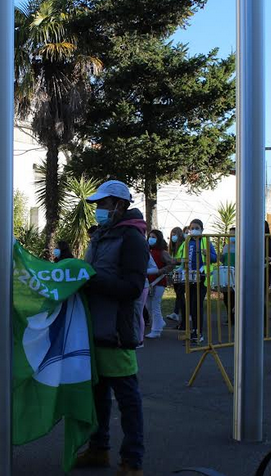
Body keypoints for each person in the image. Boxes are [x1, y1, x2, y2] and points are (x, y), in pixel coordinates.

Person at [77, 180, 147, 476]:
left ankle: (132, 461)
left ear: (119, 205)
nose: (98, 209)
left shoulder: (132, 238)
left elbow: (132, 287)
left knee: (127, 399)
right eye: (96, 205)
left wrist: (91, 280)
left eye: (103, 204)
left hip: (117, 331)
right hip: (95, 329)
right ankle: (99, 449)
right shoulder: (101, 235)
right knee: (98, 396)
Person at [180, 219, 217, 343]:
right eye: (192, 228)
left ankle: (199, 332)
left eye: (197, 228)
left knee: (197, 304)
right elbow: (181, 258)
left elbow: (215, 258)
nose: (194, 230)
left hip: (202, 277)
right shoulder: (186, 242)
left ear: (202, 229)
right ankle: (193, 330)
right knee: (190, 305)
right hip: (189, 277)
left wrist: (207, 254)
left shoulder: (206, 241)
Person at [145, 230, 173, 339]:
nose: (151, 239)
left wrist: (161, 271)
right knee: (148, 306)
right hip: (148, 282)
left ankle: (156, 330)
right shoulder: (147, 251)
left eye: (154, 237)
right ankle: (160, 322)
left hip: (159, 282)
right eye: (150, 236)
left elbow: (171, 264)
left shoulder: (163, 252)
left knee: (155, 305)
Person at [166, 227, 186, 322]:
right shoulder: (172, 248)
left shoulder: (183, 245)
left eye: (175, 235)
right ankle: (176, 313)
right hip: (175, 273)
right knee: (178, 294)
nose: (173, 237)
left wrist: (175, 262)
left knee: (180, 294)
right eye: (172, 235)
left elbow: (182, 259)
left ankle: (181, 314)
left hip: (182, 273)